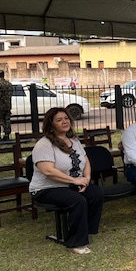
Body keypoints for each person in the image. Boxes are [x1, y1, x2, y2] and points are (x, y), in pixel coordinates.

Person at [29, 107, 104, 254]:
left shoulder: (74, 141)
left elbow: (86, 160)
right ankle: (76, 242)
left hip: (68, 185)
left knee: (96, 193)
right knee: (78, 200)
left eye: (66, 118)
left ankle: (86, 230)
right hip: (46, 188)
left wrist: (86, 179)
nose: (64, 121)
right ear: (51, 125)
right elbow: (48, 171)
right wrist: (75, 181)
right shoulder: (44, 144)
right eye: (59, 120)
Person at [0, 70, 12, 141]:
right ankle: (7, 135)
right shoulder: (9, 84)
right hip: (7, 105)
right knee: (7, 120)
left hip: (0, 106)